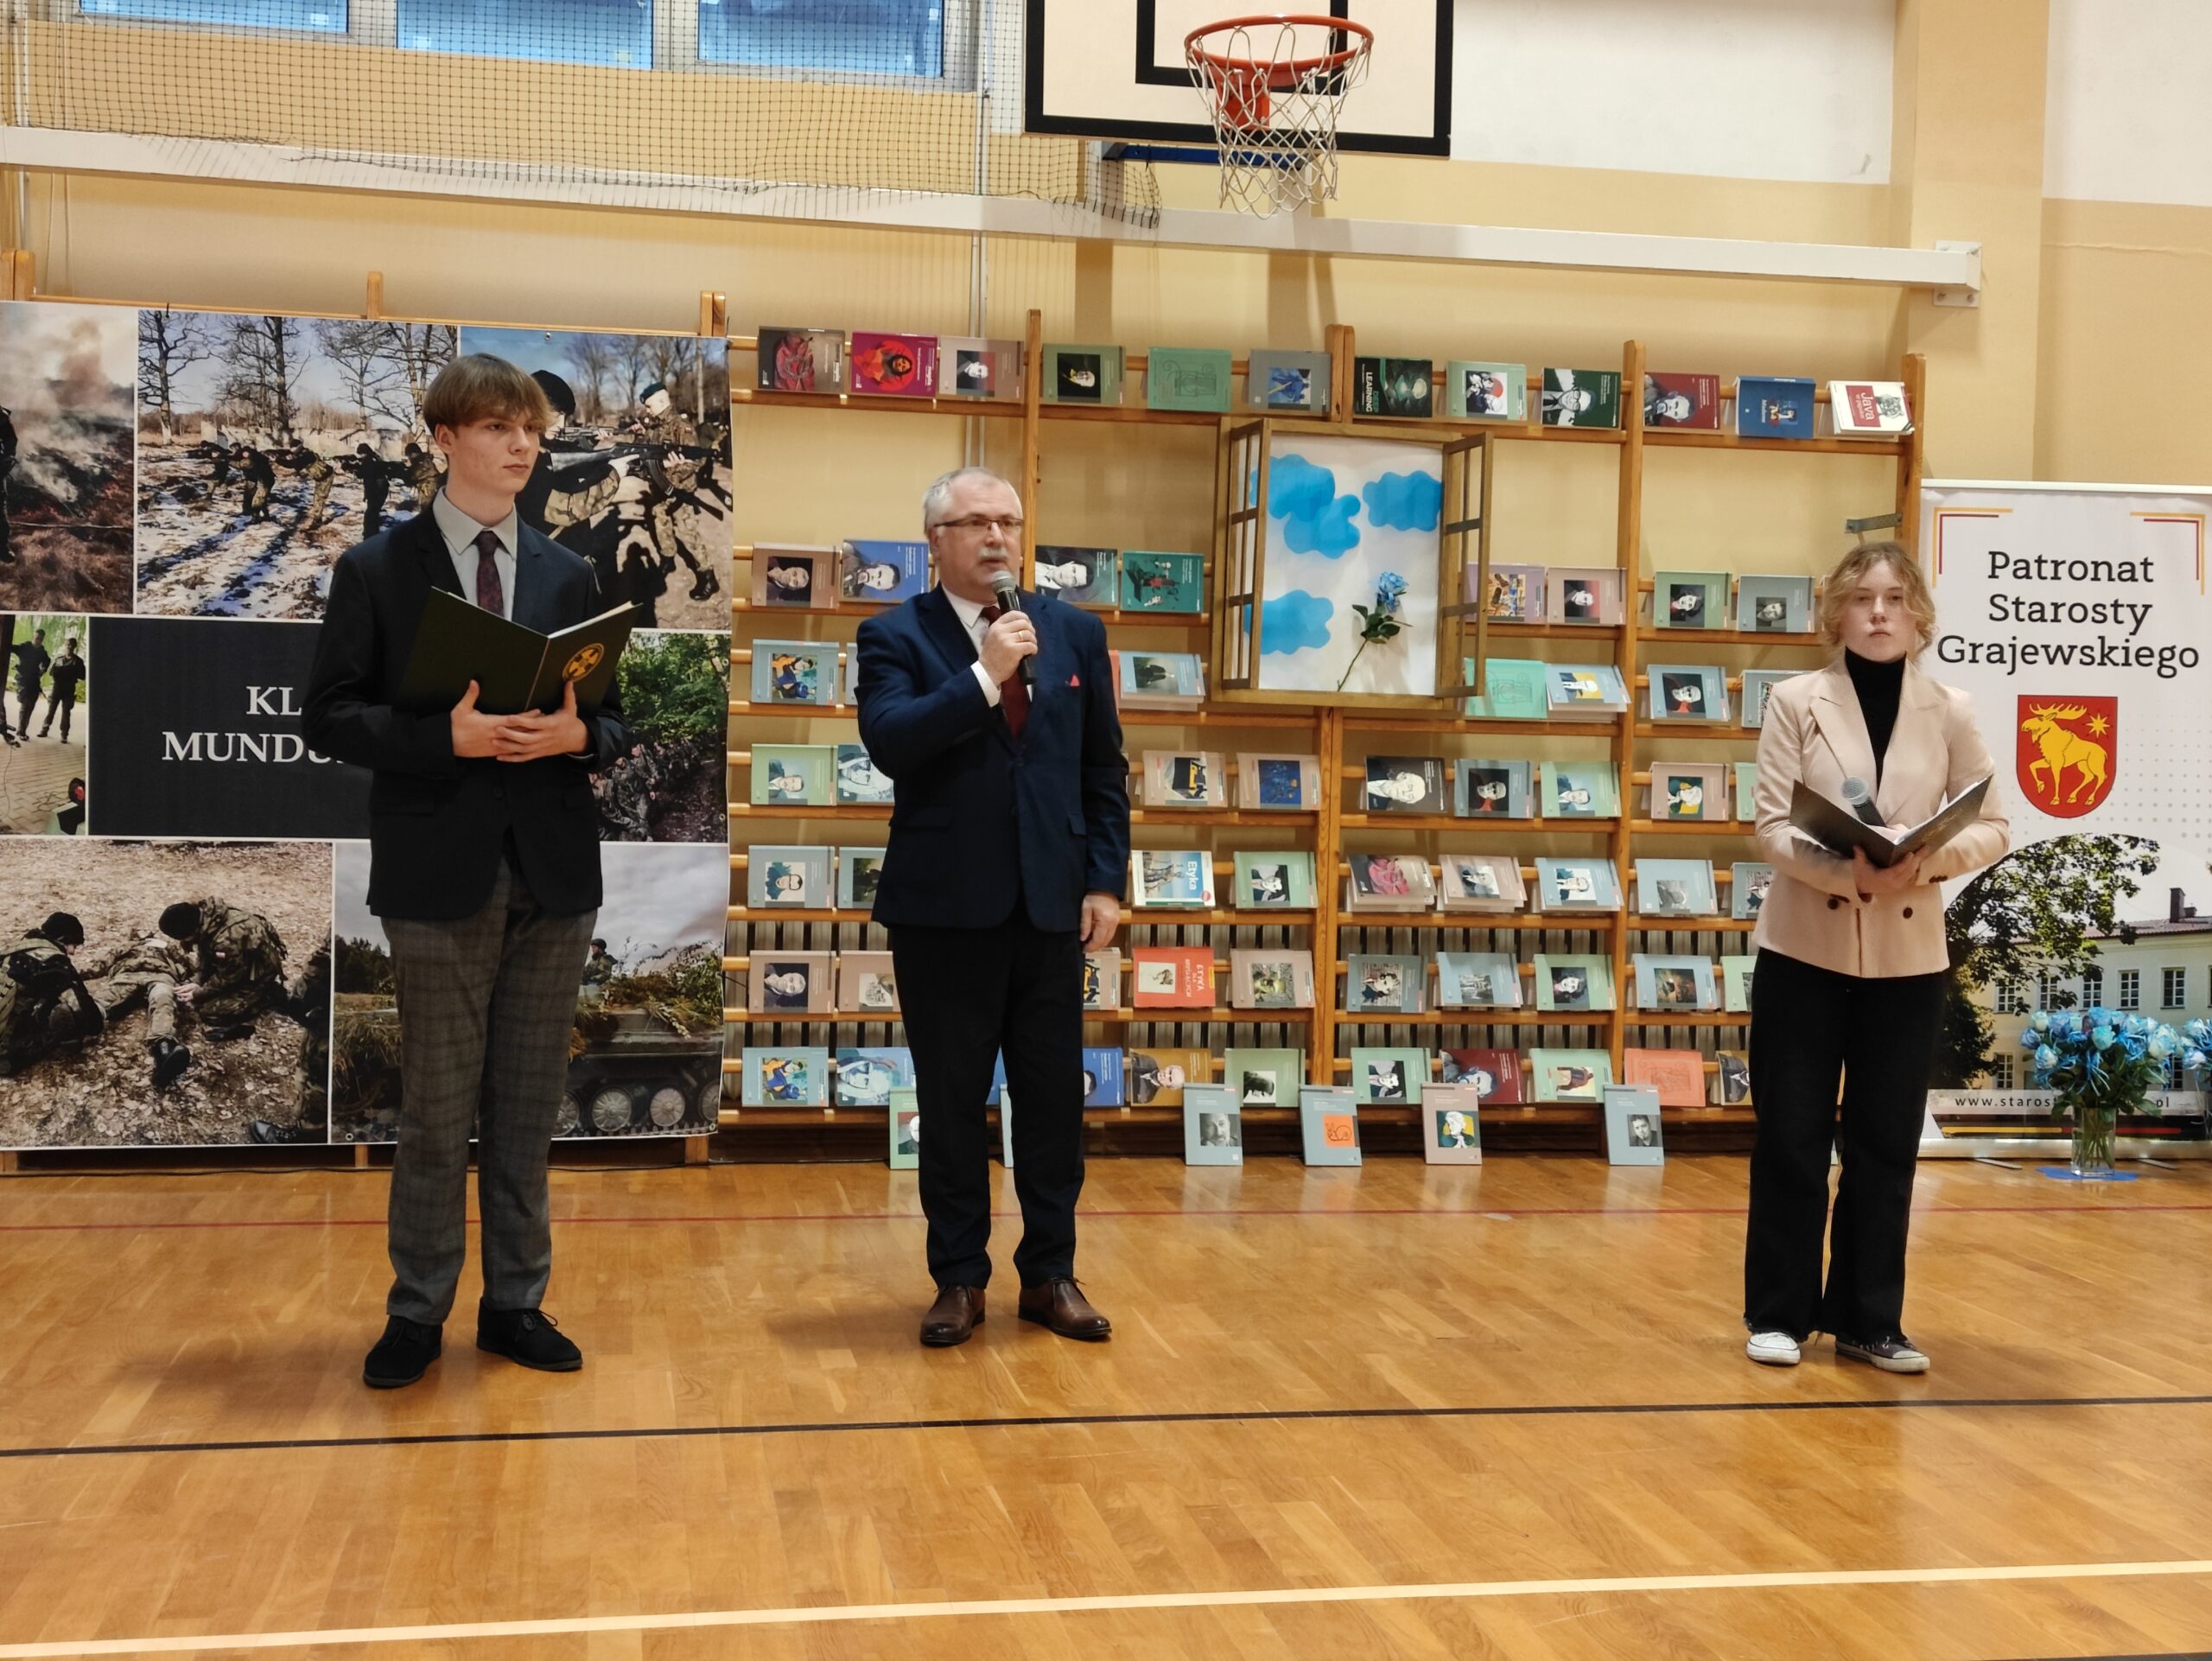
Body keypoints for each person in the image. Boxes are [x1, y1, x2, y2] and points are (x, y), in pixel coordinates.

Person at [304, 353, 630, 1391]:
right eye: (498, 427)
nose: (523, 444)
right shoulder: (377, 569)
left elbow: (612, 719)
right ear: (444, 439)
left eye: (529, 428)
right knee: (439, 1114)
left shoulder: (569, 573)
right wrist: (440, 737)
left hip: (554, 872)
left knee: (528, 1112)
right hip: (438, 869)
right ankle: (417, 1310)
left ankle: (515, 1303)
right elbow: (327, 716)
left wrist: (580, 736)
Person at [853, 465, 1129, 1348]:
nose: (996, 536)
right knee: (951, 1102)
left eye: (1007, 520)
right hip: (942, 910)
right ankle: (958, 1279)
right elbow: (892, 742)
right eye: (974, 522)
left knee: (1051, 1103)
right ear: (935, 541)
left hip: (1051, 906)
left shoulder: (1074, 631)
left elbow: (1102, 767)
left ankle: (1050, 1273)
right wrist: (985, 673)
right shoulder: (892, 633)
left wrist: (1104, 881)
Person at [1742, 540, 2009, 1376]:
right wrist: (1847, 872)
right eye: (1862, 599)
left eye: (1894, 598)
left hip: (1908, 956)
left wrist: (1923, 862)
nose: (1880, 614)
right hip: (1803, 949)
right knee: (1791, 1135)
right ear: (1838, 614)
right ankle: (1780, 1315)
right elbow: (1771, 827)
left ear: (1919, 614)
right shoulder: (1795, 701)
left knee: (1886, 1142)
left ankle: (1870, 1322)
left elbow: (1996, 826)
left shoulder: (1952, 709)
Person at [37, 634, 84, 741]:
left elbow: (82, 676)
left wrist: (70, 672)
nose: (69, 647)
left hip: (69, 689)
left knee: (66, 713)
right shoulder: (59, 659)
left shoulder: (78, 661)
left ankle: (64, 735)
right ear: (65, 645)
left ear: (74, 646)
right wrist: (56, 672)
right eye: (67, 645)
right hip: (57, 688)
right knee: (51, 710)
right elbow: (51, 672)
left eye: (71, 645)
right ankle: (44, 730)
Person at [10, 625, 48, 736]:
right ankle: (21, 731)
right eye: (37, 638)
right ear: (33, 637)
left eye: (41, 639)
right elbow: (10, 647)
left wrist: (43, 669)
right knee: (25, 705)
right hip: (24, 679)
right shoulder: (25, 647)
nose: (38, 641)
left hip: (34, 680)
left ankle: (22, 729)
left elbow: (47, 661)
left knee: (31, 706)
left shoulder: (42, 651)